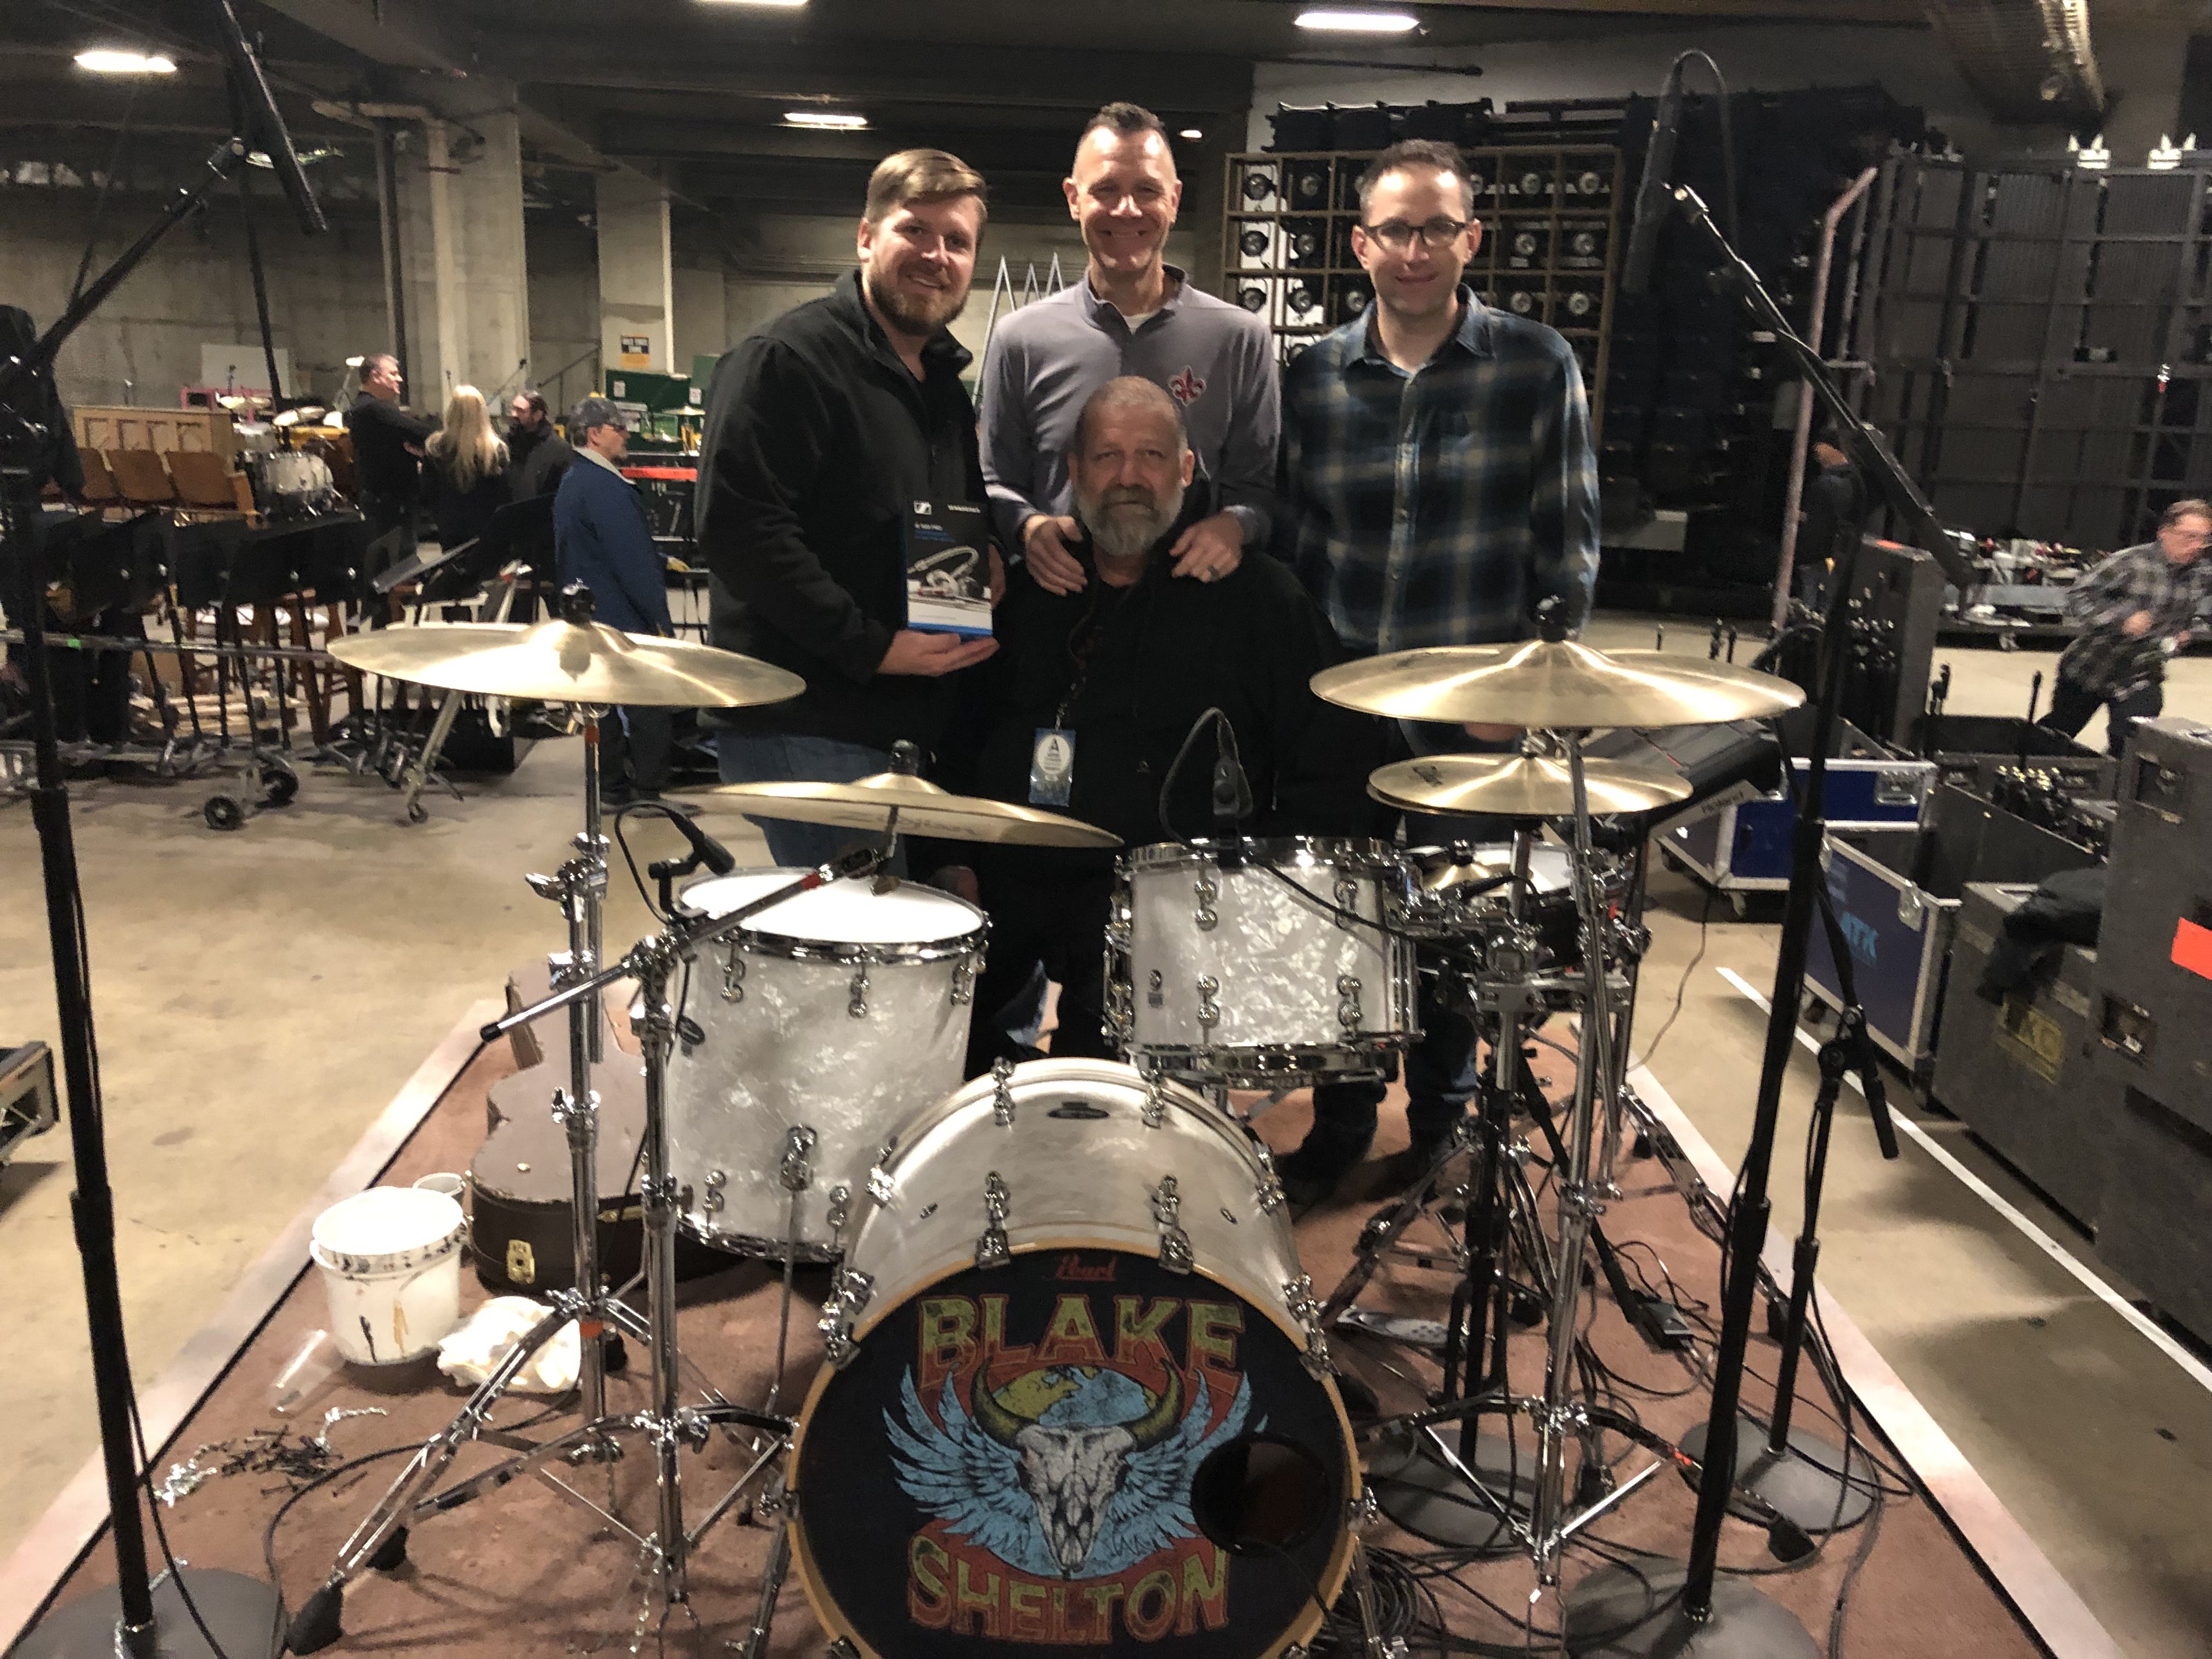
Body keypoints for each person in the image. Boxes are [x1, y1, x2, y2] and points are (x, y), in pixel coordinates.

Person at [1274, 138, 1600, 1205]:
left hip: (1472, 717)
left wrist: (1522, 698)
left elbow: (1569, 547)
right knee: (1343, 926)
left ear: (1472, 239)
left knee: (1458, 932)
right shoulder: (1314, 373)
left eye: (1438, 229)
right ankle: (1340, 1120)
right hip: (1339, 704)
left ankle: (1442, 1124)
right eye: (1396, 230)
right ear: (1361, 242)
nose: (1416, 250)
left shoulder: (1535, 362)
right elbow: (1289, 539)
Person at [938, 377, 1378, 1076]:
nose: (1129, 478)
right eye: (1107, 457)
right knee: (920, 1029)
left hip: (1164, 895)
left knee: (1099, 1089)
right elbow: (957, 736)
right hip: (1013, 877)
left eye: (1149, 455)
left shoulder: (1258, 598)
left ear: (1185, 470)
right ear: (1075, 473)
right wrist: (951, 861)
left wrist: (1262, 892)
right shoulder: (1026, 592)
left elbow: (1330, 757)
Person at [696, 148, 998, 868]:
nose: (937, 255)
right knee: (858, 968)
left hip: (907, 726)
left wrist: (986, 559)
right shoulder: (789, 359)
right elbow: (743, 531)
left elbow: (947, 516)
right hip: (813, 722)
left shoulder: (942, 388)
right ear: (867, 238)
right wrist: (873, 646)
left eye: (957, 241)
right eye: (915, 231)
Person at [981, 103, 1276, 600]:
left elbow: (1263, 490)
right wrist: (1026, 528)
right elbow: (991, 479)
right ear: (1074, 199)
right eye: (1106, 191)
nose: (1127, 210)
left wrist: (1234, 527)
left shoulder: (1240, 339)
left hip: (1194, 612)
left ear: (1176, 199)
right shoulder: (1019, 340)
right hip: (1060, 613)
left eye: (1147, 190)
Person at [555, 395, 674, 804]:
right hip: (621, 614)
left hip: (589, 612)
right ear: (594, 434)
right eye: (617, 428)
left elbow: (594, 548)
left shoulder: (575, 481)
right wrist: (659, 619)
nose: (625, 435)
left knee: (600, 705)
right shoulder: (607, 488)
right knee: (649, 699)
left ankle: (611, 787)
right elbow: (631, 561)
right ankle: (649, 791)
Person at [2036, 499, 2212, 757]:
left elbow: (2196, 614)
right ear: (2164, 532)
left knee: (2132, 743)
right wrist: (2123, 618)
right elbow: (2079, 597)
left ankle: (2114, 787)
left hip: (2141, 674)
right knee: (2058, 734)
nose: (2197, 546)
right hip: (2092, 667)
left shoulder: (2202, 574)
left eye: (2204, 539)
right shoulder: (2130, 563)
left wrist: (2190, 631)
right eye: (2189, 537)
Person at [343, 352, 433, 589]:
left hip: (390, 503)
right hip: (391, 506)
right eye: (393, 374)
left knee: (394, 573)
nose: (400, 380)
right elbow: (422, 433)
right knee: (396, 576)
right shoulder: (373, 409)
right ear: (376, 376)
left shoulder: (370, 409)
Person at [421, 385, 511, 551]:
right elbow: (504, 496)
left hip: (450, 531)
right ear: (482, 413)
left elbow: (428, 493)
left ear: (452, 411)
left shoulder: (436, 449)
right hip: (487, 532)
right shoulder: (496, 450)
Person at [506, 390, 574, 499]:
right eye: (513, 408)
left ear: (538, 415)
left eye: (520, 411)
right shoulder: (506, 443)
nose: (514, 414)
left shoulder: (559, 450)